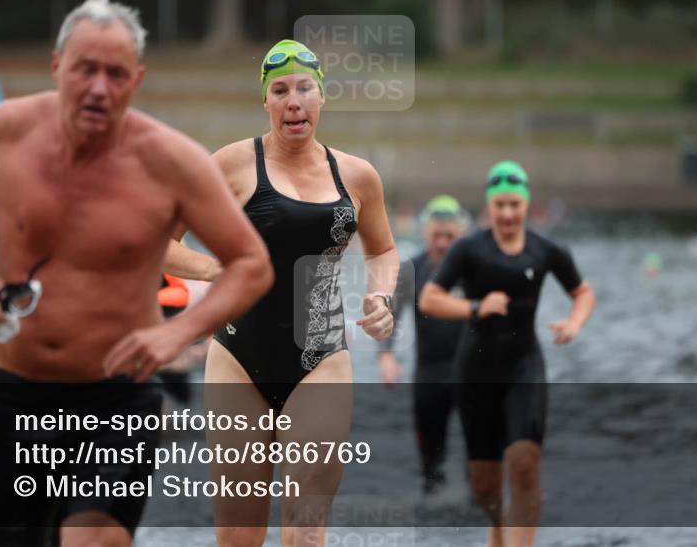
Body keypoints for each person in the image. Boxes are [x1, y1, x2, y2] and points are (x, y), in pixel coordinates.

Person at [0, 0, 273, 547]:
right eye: (86, 69)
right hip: (12, 392)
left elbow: (251, 264)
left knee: (92, 540)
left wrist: (177, 333)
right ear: (57, 67)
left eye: (116, 74)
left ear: (137, 80)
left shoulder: (172, 161)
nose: (100, 87)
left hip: (115, 397)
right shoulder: (7, 131)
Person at [164, 39, 398, 547]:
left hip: (320, 359)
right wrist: (212, 268)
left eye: (305, 88)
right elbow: (160, 243)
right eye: (281, 90)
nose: (294, 101)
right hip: (237, 360)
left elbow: (382, 252)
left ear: (322, 97)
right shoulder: (230, 165)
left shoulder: (357, 176)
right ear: (265, 101)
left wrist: (381, 298)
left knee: (306, 530)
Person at [418, 160, 595, 547]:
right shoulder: (469, 249)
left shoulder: (545, 250)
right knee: (484, 486)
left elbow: (582, 292)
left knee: (526, 461)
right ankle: (497, 528)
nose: (508, 213)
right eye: (500, 206)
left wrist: (573, 324)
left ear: (527, 205)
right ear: (489, 207)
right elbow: (429, 298)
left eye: (515, 205)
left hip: (524, 368)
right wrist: (476, 307)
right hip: (476, 373)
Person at [378, 195, 467, 494]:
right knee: (431, 459)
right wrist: (386, 356)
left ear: (461, 234)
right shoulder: (412, 269)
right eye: (436, 235)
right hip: (429, 372)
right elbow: (392, 315)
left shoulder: (475, 268)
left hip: (472, 371)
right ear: (426, 233)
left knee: (480, 454)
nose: (442, 243)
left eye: (449, 236)